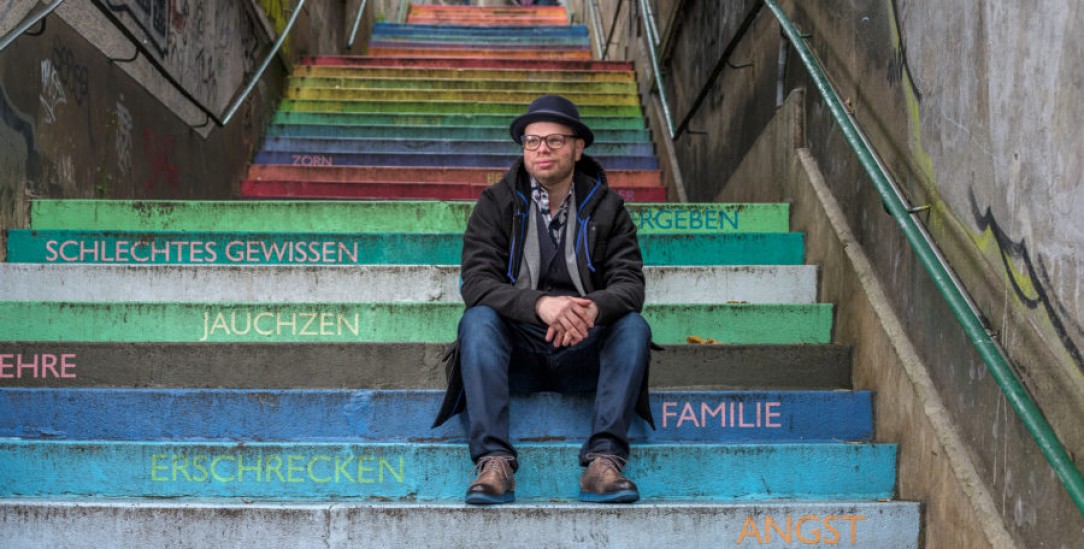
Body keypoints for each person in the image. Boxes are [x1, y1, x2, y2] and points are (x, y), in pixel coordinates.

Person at [432, 94, 654, 505]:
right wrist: (540, 305)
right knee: (477, 320)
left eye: (554, 140)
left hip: (583, 350)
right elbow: (476, 283)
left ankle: (603, 462)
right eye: (532, 141)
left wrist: (588, 311)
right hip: (518, 354)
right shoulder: (495, 203)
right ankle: (494, 463)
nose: (541, 150)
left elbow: (630, 285)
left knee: (633, 326)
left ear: (577, 147)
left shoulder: (609, 208)